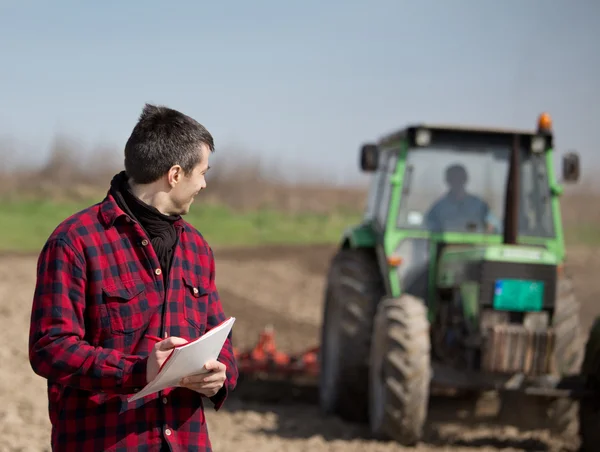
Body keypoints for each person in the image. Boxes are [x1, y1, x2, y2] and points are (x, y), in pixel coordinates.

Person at [28, 104, 238, 452]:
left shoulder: (198, 249)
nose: (203, 184)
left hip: (186, 442)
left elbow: (221, 339)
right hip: (105, 441)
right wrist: (137, 371)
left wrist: (220, 376)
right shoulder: (76, 241)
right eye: (202, 172)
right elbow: (50, 347)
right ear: (174, 174)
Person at [425, 163, 500, 233]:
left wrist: (489, 229)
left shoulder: (480, 206)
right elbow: (426, 228)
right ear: (447, 180)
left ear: (465, 179)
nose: (457, 181)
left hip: (476, 246)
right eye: (453, 178)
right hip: (445, 246)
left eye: (460, 178)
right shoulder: (438, 208)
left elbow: (496, 227)